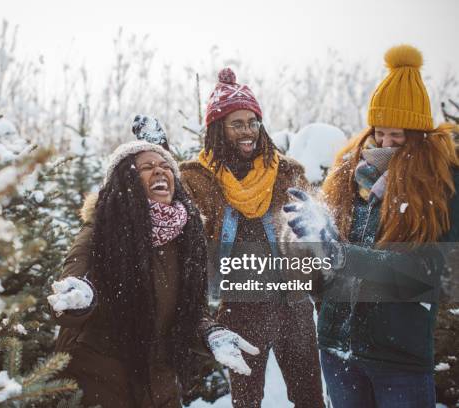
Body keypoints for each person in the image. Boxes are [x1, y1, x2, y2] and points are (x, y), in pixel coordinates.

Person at [284, 44, 459, 408]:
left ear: (420, 136)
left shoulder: (441, 187)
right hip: (337, 349)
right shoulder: (347, 177)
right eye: (381, 132)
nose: (386, 143)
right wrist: (309, 240)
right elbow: (321, 264)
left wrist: (339, 253)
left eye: (399, 135)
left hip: (399, 357)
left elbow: (420, 272)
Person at [46, 138, 259, 408]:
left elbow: (188, 312)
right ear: (127, 180)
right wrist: (79, 296)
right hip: (99, 376)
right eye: (146, 167)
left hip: (159, 380)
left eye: (165, 166)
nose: (160, 171)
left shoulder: (185, 237)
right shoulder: (100, 230)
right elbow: (69, 289)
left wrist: (211, 332)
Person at [179, 68, 325, 408]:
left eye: (253, 122)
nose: (248, 131)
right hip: (240, 309)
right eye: (237, 124)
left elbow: (315, 233)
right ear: (218, 130)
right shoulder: (197, 180)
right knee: (246, 402)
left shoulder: (287, 172)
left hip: (294, 307)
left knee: (310, 399)